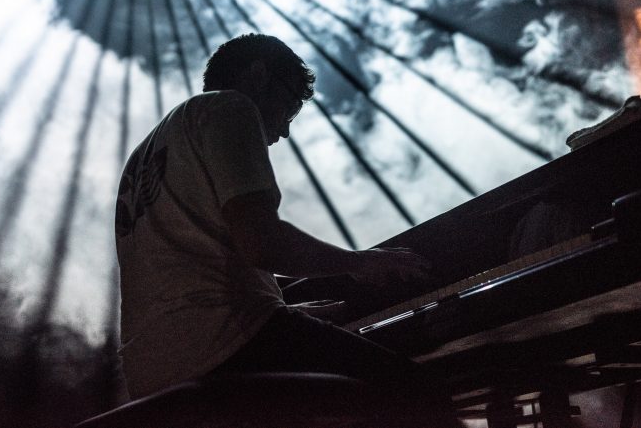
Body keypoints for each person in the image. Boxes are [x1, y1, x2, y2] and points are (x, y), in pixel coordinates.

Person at [115, 33, 435, 401]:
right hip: (224, 348)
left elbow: (197, 270)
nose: (284, 130)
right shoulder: (229, 107)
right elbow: (263, 243)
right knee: (416, 392)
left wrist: (281, 311)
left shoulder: (145, 156)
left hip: (150, 378)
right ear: (258, 75)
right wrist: (361, 262)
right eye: (290, 105)